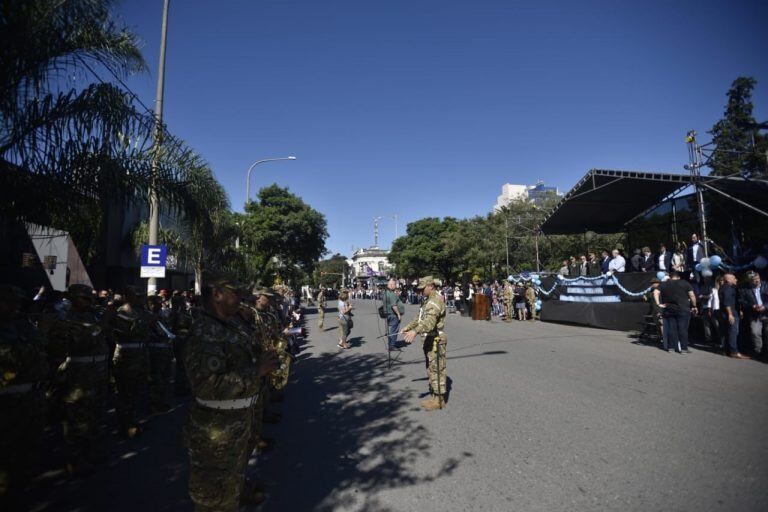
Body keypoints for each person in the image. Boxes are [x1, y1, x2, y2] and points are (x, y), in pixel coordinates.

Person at [184, 276, 278, 512]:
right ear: (216, 294)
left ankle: (239, 494)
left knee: (231, 485)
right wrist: (257, 370)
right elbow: (207, 385)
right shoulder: (205, 331)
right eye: (235, 294)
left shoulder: (229, 325)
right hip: (215, 429)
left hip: (236, 421)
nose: (241, 299)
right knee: (214, 497)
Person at [47, 284, 109, 475]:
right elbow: (81, 340)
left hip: (96, 372)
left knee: (94, 415)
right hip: (77, 376)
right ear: (73, 298)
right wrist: (102, 325)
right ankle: (74, 459)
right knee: (76, 418)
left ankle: (91, 452)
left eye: (90, 298)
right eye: (85, 298)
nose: (90, 302)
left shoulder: (93, 315)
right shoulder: (65, 319)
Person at [0, 285, 48, 511]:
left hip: (29, 396)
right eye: (10, 302)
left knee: (26, 448)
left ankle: (21, 489)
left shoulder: (22, 326)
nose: (15, 307)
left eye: (17, 302)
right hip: (7, 402)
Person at [401, 276, 447, 411]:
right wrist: (408, 327)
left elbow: (429, 322)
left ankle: (439, 400)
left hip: (436, 339)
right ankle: (434, 396)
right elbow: (419, 318)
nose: (420, 291)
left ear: (431, 286)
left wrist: (415, 331)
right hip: (428, 339)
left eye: (423, 288)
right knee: (430, 368)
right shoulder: (427, 301)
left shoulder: (435, 301)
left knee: (437, 368)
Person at [111, 286, 151, 438]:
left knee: (138, 390)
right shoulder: (121, 313)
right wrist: (146, 321)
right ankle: (125, 424)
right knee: (125, 391)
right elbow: (128, 333)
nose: (139, 298)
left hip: (140, 355)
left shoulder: (141, 312)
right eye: (136, 295)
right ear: (127, 297)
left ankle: (134, 421)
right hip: (126, 356)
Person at [653, 271, 697, 353]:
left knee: (671, 329)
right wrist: (694, 306)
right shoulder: (685, 283)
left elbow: (655, 292)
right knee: (683, 329)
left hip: (669, 309)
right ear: (679, 277)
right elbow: (692, 295)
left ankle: (671, 347)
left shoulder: (664, 284)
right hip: (683, 308)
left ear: (670, 276)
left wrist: (658, 304)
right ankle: (683, 348)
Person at [739, 271, 768, 360]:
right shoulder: (744, 289)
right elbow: (742, 301)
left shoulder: (766, 285)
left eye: (758, 279)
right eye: (754, 280)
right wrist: (752, 306)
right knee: (755, 333)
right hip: (754, 314)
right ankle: (759, 351)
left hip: (766, 313)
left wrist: (765, 306)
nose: (757, 281)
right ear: (749, 281)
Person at [719, 273, 747, 359]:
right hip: (731, 312)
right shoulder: (727, 288)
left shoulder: (724, 287)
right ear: (728, 280)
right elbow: (727, 302)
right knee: (733, 332)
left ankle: (726, 350)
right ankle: (734, 351)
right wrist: (730, 314)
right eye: (734, 278)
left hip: (726, 312)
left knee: (726, 332)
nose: (736, 280)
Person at [383, 278, 404, 350]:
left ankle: (391, 344)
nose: (395, 286)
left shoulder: (385, 292)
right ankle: (392, 345)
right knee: (394, 330)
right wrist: (398, 314)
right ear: (391, 285)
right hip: (393, 314)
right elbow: (394, 306)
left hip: (388, 314)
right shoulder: (391, 294)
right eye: (395, 284)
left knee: (391, 330)